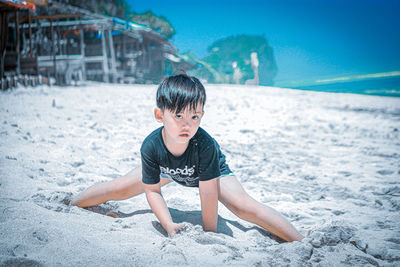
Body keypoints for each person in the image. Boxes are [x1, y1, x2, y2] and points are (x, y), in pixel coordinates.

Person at [72, 74, 304, 241]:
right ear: (159, 115)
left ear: (202, 114)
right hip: (168, 168)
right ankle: (72, 202)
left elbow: (208, 192)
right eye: (179, 115)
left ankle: (300, 240)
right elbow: (152, 191)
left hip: (211, 173)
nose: (187, 124)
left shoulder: (205, 145)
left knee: (244, 207)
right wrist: (168, 224)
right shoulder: (151, 146)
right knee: (119, 188)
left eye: (195, 117)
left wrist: (210, 233)